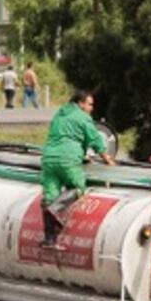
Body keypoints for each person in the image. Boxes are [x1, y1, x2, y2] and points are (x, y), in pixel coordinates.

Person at [40, 90, 115, 248]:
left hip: (48, 158)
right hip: (67, 159)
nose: (91, 108)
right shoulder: (83, 117)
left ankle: (49, 240)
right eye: (89, 104)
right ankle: (56, 210)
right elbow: (95, 140)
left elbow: (63, 137)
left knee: (49, 196)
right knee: (78, 187)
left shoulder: (59, 115)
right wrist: (108, 160)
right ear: (80, 104)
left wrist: (82, 155)